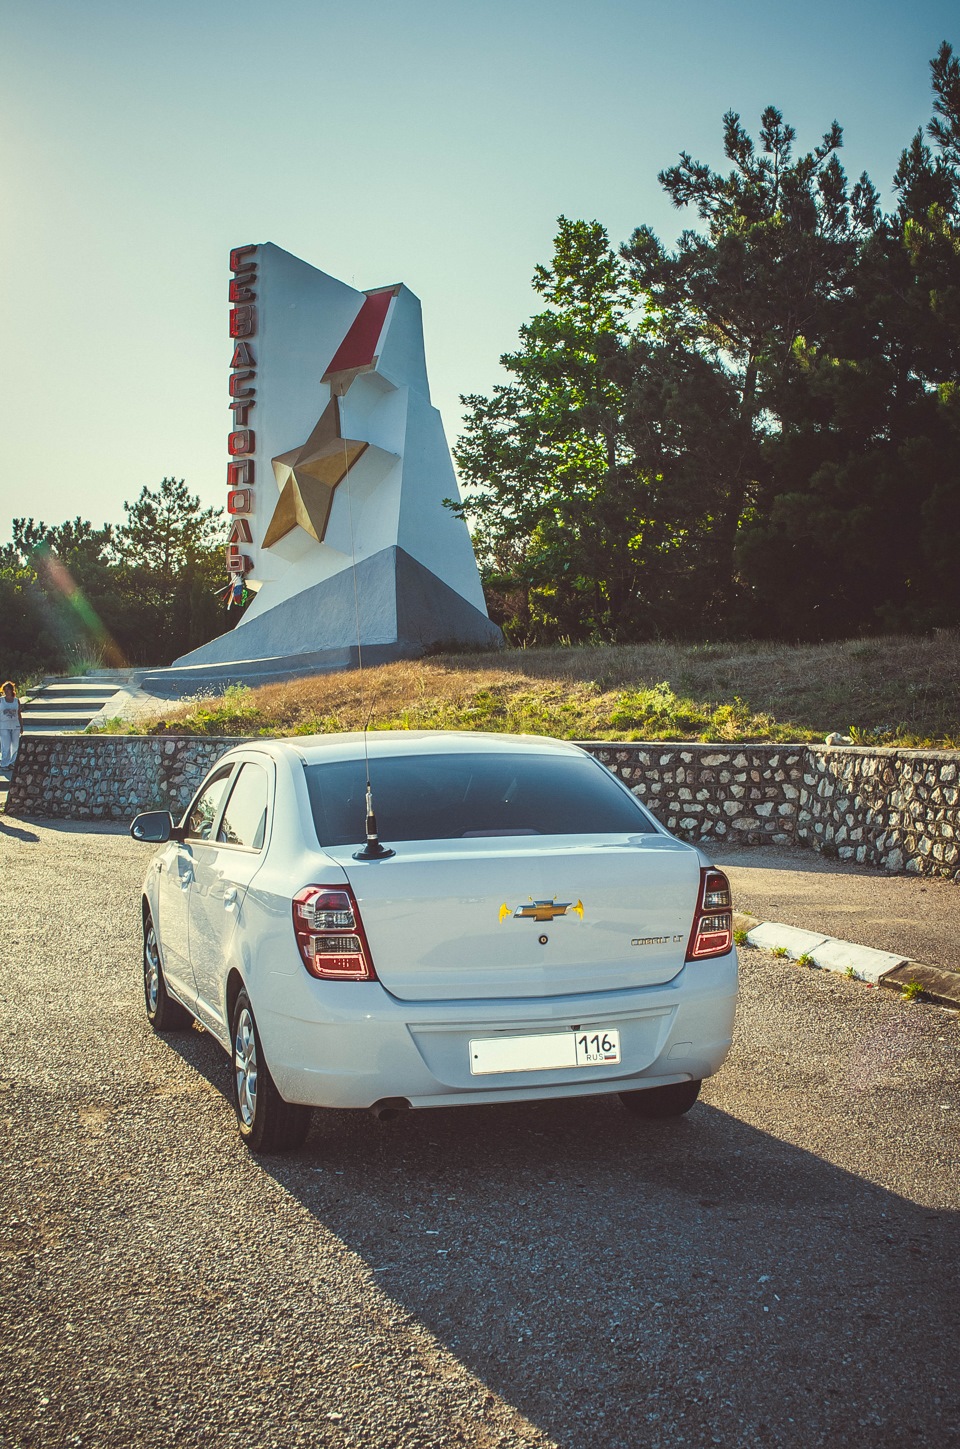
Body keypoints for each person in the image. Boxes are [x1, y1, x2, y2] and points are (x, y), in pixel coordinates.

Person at [0, 681, 23, 769]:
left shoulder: (16, 701)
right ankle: (4, 763)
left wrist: (21, 726)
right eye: (5, 690)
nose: (7, 691)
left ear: (11, 690)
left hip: (15, 725)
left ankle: (12, 762)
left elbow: (19, 714)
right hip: (3, 726)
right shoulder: (1, 700)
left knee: (15, 745)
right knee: (5, 745)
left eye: (8, 689)